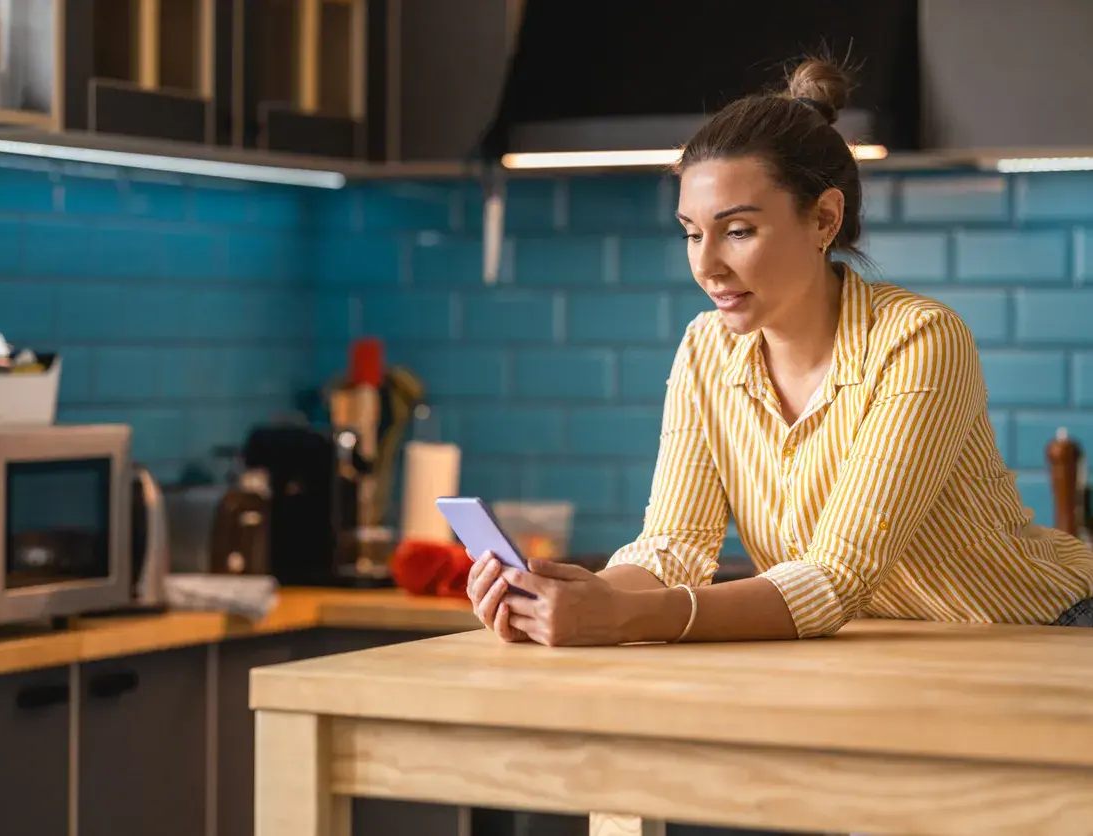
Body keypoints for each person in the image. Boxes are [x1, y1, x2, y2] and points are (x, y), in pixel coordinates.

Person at [467, 56, 1093, 646]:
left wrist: (622, 615)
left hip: (1045, 632)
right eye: (692, 234)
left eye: (738, 231)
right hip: (884, 650)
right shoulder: (705, 349)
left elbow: (835, 574)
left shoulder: (918, 338)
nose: (707, 266)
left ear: (824, 220)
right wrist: (568, 597)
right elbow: (673, 548)